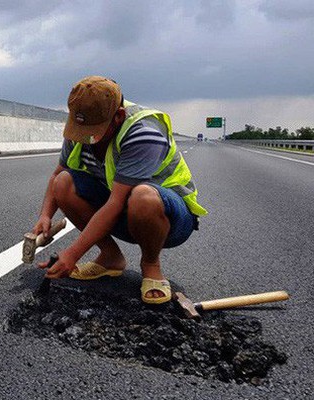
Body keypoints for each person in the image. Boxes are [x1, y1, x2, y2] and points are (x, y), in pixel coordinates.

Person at [33, 76, 207, 304]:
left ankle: (151, 265)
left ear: (118, 117)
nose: (86, 139)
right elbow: (57, 174)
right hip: (122, 209)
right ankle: (110, 258)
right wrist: (45, 216)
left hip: (167, 218)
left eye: (94, 132)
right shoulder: (80, 128)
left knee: (142, 196)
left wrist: (73, 254)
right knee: (64, 183)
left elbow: (116, 203)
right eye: (81, 129)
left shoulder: (143, 132)